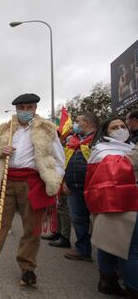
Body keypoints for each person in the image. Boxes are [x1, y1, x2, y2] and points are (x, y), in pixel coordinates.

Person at [0, 93, 65, 287]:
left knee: (32, 228)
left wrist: (54, 180)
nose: (25, 111)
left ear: (35, 109)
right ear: (16, 109)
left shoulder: (48, 129)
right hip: (6, 179)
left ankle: (27, 269)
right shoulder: (5, 128)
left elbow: (59, 159)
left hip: (33, 183)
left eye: (29, 107)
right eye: (21, 108)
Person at [84, 117, 138, 297]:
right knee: (128, 249)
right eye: (114, 127)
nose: (121, 129)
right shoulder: (102, 150)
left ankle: (108, 282)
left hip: (119, 203)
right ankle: (132, 289)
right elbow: (117, 169)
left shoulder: (129, 148)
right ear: (106, 133)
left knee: (109, 245)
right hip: (118, 204)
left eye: (123, 126)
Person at [59, 113, 99, 258]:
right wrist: (63, 181)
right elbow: (65, 163)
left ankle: (109, 259)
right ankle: (83, 250)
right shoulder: (73, 141)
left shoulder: (99, 140)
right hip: (73, 187)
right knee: (78, 219)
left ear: (87, 123)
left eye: (77, 121)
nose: (74, 124)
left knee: (99, 221)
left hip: (94, 188)